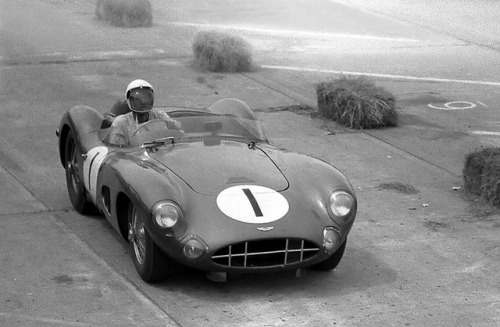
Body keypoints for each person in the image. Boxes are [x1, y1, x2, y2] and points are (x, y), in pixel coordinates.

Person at [106, 79, 180, 145]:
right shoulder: (121, 122)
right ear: (129, 101)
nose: (143, 103)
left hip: (160, 153)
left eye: (146, 99)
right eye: (137, 100)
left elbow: (178, 129)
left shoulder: (159, 116)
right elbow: (117, 150)